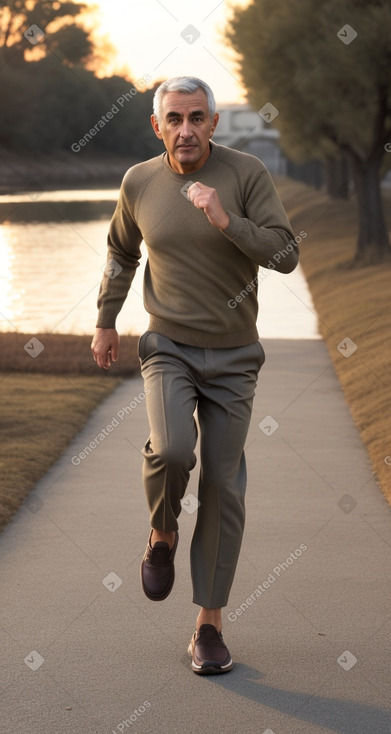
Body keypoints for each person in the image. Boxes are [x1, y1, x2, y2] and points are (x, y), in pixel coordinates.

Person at [91, 76, 299, 675]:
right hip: (169, 346)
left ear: (214, 124)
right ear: (157, 126)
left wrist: (224, 219)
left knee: (222, 487)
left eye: (198, 118)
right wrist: (106, 319)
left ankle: (208, 626)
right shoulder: (139, 181)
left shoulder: (247, 175)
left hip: (235, 356)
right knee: (175, 448)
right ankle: (162, 534)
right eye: (174, 119)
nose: (186, 129)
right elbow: (120, 250)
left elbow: (286, 254)